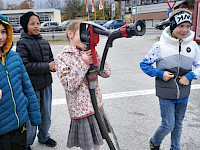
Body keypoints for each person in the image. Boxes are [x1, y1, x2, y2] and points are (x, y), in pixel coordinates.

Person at [140, 8, 200, 150]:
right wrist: (160, 74)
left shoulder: (193, 46)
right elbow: (144, 64)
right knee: (168, 124)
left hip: (184, 94)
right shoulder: (160, 46)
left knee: (178, 124)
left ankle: (175, 148)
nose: (185, 30)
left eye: (188, 26)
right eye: (181, 26)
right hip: (166, 94)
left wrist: (190, 76)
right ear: (172, 25)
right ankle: (155, 141)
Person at [55, 20, 113, 150]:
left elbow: (107, 73)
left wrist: (96, 58)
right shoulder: (62, 57)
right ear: (70, 34)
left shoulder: (90, 52)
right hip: (81, 110)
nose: (87, 36)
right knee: (87, 146)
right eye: (83, 32)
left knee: (98, 143)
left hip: (96, 106)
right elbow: (69, 84)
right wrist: (83, 62)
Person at [0, 13, 41, 150]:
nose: (1, 37)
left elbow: (28, 88)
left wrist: (35, 116)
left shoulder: (15, 58)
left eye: (3, 32)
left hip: (20, 125)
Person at [16, 11, 57, 149]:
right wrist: (47, 66)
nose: (36, 26)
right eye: (32, 23)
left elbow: (51, 59)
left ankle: (44, 137)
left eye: (38, 23)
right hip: (31, 87)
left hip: (46, 84)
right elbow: (25, 66)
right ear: (25, 26)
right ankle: (27, 143)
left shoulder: (44, 42)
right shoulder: (22, 43)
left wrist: (53, 66)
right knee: (32, 115)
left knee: (47, 114)